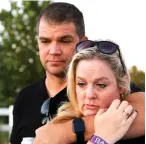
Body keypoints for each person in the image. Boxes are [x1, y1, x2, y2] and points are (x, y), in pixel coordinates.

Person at [10, 2, 145, 144]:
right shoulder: (25, 97)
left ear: (83, 43)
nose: (54, 51)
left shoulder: (112, 90)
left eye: (64, 41)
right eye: (45, 41)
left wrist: (68, 130)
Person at [34, 40, 145, 144]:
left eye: (101, 85)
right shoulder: (54, 131)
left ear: (121, 85)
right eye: (81, 84)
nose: (89, 95)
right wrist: (101, 138)